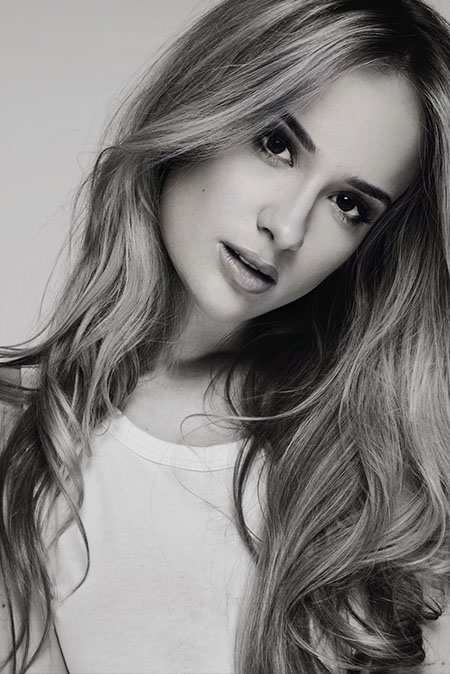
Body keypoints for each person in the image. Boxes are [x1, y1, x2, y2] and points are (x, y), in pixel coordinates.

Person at [1, 0, 450, 671]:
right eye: (277, 144)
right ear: (201, 107)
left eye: (348, 204)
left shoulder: (386, 478)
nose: (287, 228)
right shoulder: (20, 435)